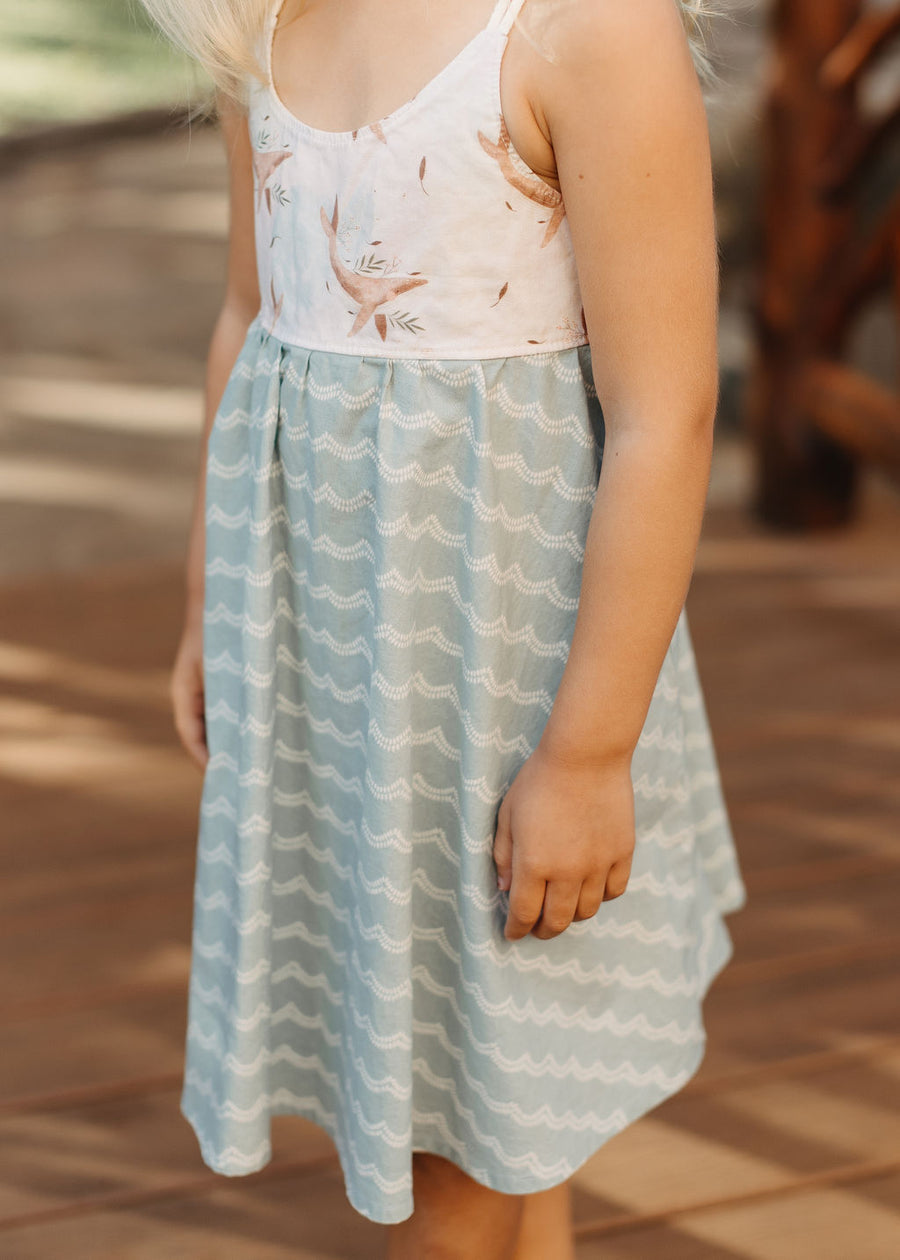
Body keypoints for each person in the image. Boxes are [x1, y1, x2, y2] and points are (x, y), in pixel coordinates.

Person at [142, 0, 747, 1254]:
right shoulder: (260, 24)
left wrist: (585, 755)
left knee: (466, 1117)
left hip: (505, 682)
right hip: (331, 665)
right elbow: (248, 313)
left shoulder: (584, 32)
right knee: (480, 1081)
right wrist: (213, 599)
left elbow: (664, 414)